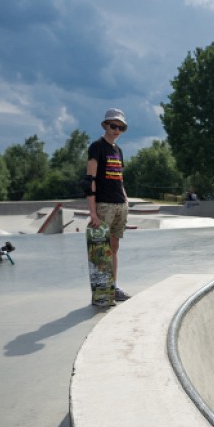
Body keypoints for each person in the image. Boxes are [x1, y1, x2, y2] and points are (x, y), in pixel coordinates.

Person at [83, 108, 131, 302]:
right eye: (113, 126)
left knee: (114, 246)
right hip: (104, 205)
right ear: (105, 125)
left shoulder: (118, 150)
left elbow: (119, 178)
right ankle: (102, 288)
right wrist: (93, 212)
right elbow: (89, 180)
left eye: (120, 127)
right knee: (102, 249)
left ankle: (113, 286)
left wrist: (125, 199)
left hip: (120, 204)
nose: (116, 130)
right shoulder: (97, 147)